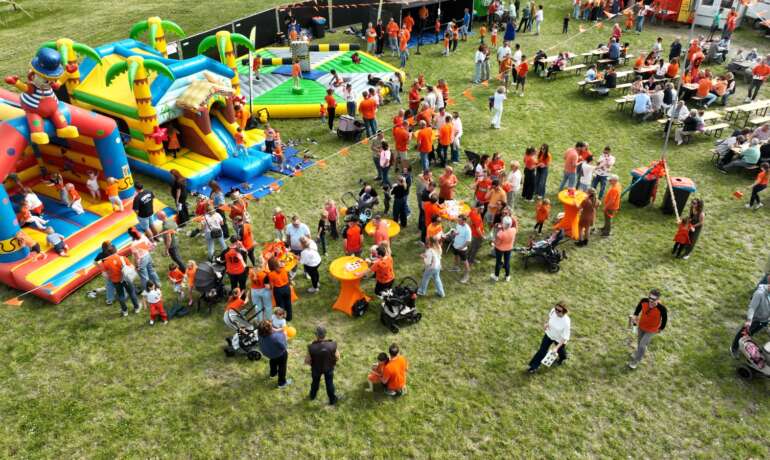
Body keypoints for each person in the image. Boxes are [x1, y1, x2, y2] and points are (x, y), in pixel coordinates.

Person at [628, 289, 668, 369]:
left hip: (652, 329)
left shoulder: (662, 309)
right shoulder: (644, 301)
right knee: (639, 343)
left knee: (642, 345)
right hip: (641, 326)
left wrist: (661, 328)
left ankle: (636, 361)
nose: (650, 300)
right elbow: (638, 308)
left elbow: (664, 319)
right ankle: (637, 352)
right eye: (650, 297)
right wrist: (635, 315)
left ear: (658, 299)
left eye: (653, 299)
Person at [527, 301, 571, 373]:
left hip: (559, 339)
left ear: (564, 312)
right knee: (542, 350)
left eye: (559, 310)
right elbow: (550, 317)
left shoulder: (566, 322)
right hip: (549, 334)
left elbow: (565, 337)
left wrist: (556, 348)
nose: (556, 311)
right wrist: (547, 323)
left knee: (561, 351)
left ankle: (563, 357)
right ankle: (533, 367)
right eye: (556, 309)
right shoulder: (553, 311)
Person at [100, 245, 141, 316]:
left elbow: (104, 275)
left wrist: (110, 277)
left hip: (116, 281)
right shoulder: (122, 258)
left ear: (107, 253)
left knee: (121, 296)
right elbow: (132, 267)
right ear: (116, 250)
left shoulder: (105, 262)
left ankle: (125, 311)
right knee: (131, 293)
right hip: (126, 279)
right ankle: (137, 308)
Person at [731, 283, 770, 358]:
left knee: (750, 334)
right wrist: (749, 320)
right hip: (754, 320)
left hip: (764, 321)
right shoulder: (759, 293)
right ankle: (734, 348)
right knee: (742, 334)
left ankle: (744, 346)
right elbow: (752, 308)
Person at [306, 325, 340, 405]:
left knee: (315, 383)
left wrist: (313, 363)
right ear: (325, 334)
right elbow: (338, 357)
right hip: (329, 368)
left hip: (316, 369)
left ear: (316, 335)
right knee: (329, 383)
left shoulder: (311, 347)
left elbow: (307, 361)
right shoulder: (333, 344)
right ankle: (332, 400)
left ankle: (312, 396)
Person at [258, 320, 291, 388]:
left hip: (268, 353)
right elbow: (283, 346)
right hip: (279, 354)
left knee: (273, 361)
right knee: (282, 366)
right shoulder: (276, 337)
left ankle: (273, 373)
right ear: (270, 328)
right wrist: (284, 335)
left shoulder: (260, 334)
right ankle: (282, 383)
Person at [128, 227, 160, 291]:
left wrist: (136, 266)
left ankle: (148, 290)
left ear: (130, 235)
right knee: (152, 271)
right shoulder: (143, 236)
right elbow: (150, 246)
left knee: (144, 277)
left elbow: (137, 257)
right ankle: (158, 284)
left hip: (141, 260)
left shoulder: (133, 244)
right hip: (148, 256)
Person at [491, 216, 516, 282]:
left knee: (498, 262)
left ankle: (496, 276)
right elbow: (510, 227)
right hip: (509, 248)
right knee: (507, 262)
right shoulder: (514, 230)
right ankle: (507, 276)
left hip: (500, 249)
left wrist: (493, 242)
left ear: (503, 223)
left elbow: (498, 243)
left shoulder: (500, 233)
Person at [268, 256, 293, 322]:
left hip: (278, 290)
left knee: (280, 305)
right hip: (287, 288)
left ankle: (282, 319)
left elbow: (271, 285)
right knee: (288, 303)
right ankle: (289, 317)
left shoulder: (270, 274)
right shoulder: (284, 269)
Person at [450, 215, 472, 284]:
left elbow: (468, 241)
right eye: (458, 220)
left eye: (459, 220)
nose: (458, 221)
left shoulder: (467, 229)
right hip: (455, 245)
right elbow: (457, 231)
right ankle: (456, 267)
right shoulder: (458, 224)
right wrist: (455, 233)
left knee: (465, 261)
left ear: (464, 221)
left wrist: (461, 247)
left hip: (462, 249)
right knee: (455, 256)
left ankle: (467, 275)